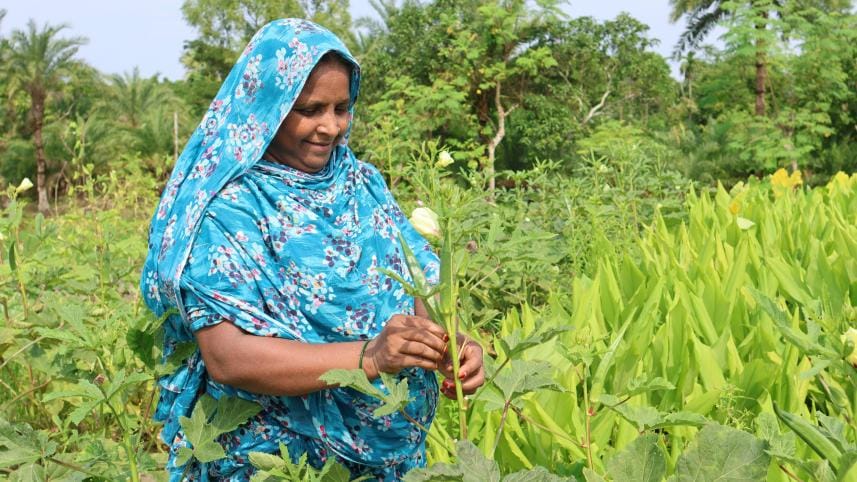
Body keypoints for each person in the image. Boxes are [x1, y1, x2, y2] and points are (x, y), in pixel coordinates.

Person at [140, 18, 484, 481]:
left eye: (341, 108)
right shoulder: (227, 208)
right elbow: (228, 357)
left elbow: (418, 283)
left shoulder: (363, 185)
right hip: (275, 461)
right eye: (311, 109)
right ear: (268, 106)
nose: (331, 126)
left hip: (387, 458)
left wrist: (449, 344)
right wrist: (371, 357)